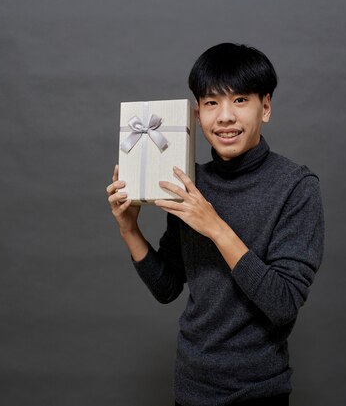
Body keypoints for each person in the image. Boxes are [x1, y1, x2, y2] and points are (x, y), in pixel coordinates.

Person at [106, 43, 325, 406]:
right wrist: (129, 229)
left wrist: (215, 226)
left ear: (265, 107)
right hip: (191, 388)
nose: (224, 117)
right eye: (211, 103)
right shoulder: (190, 182)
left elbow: (284, 303)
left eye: (240, 101)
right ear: (196, 114)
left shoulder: (296, 186)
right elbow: (168, 288)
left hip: (259, 391)